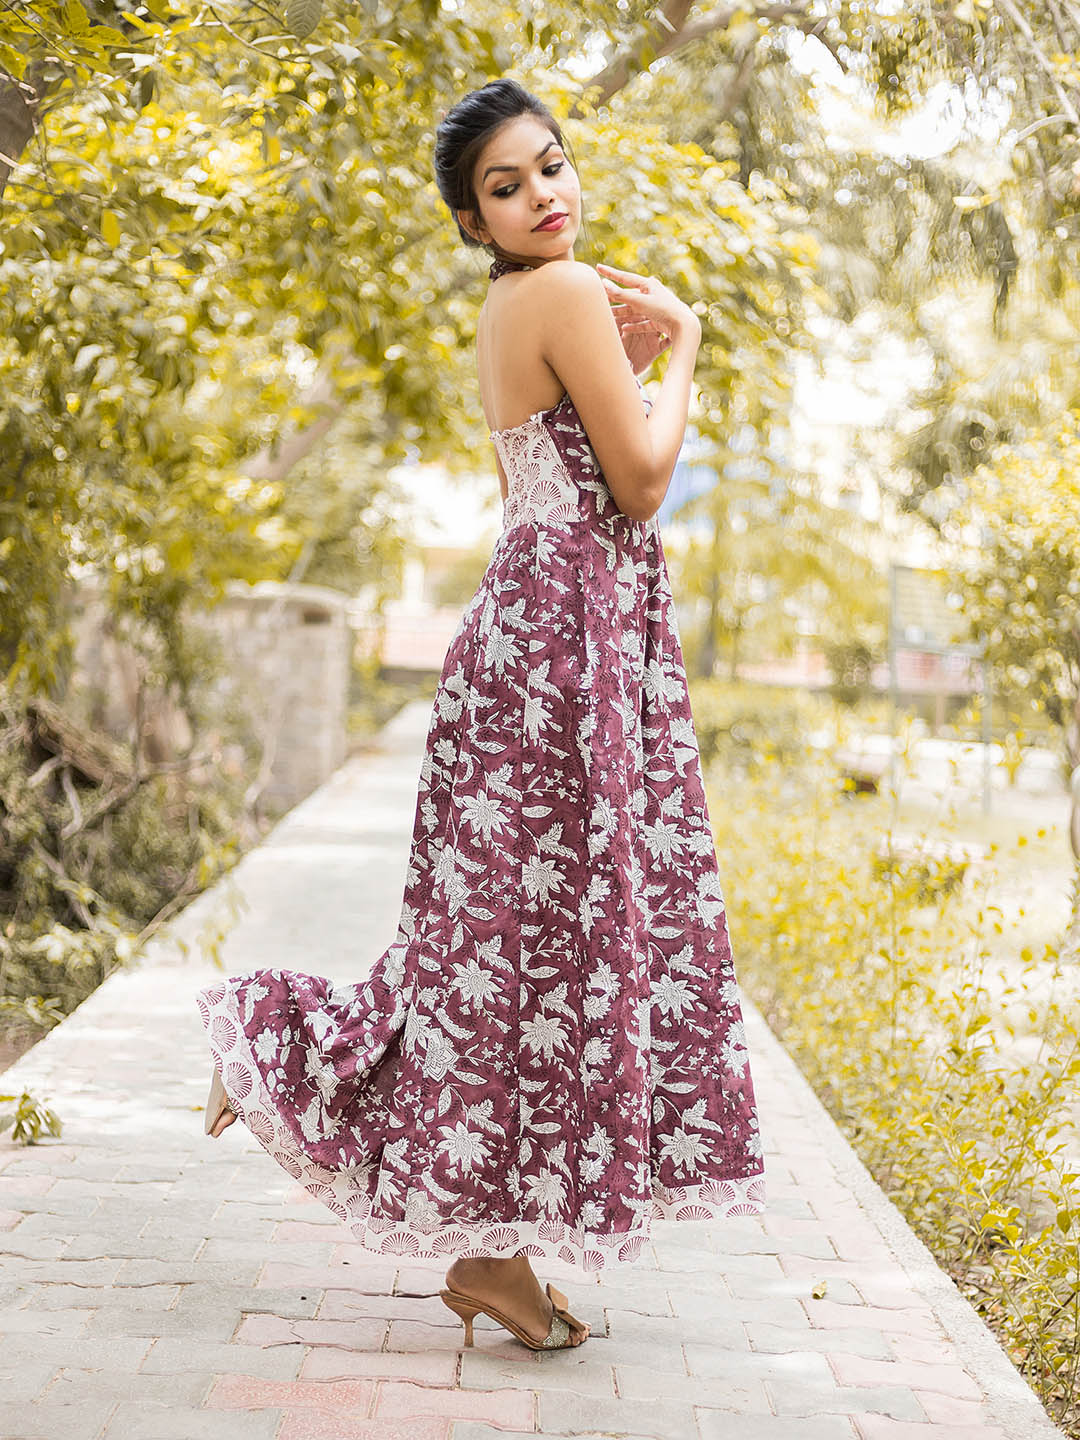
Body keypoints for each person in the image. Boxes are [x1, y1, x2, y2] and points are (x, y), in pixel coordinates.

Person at [195, 75, 766, 1355]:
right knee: (529, 954)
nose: (542, 195)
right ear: (475, 222)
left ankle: (490, 1252)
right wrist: (687, 342)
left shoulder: (525, 302)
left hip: (538, 644)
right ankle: (290, 1057)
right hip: (558, 658)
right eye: (506, 187)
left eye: (551, 166)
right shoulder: (560, 294)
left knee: (505, 957)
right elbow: (642, 481)